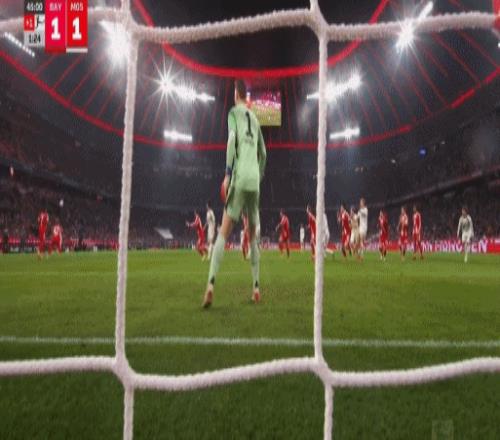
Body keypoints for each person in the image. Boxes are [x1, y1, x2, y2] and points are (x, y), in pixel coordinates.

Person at [202, 79, 267, 308]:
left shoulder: (233, 113)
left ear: (235, 95)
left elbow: (231, 141)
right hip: (254, 182)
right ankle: (256, 288)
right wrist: (259, 175)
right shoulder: (256, 119)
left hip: (239, 178)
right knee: (253, 237)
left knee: (223, 232)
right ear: (245, 95)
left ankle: (210, 285)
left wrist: (228, 174)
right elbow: (264, 153)